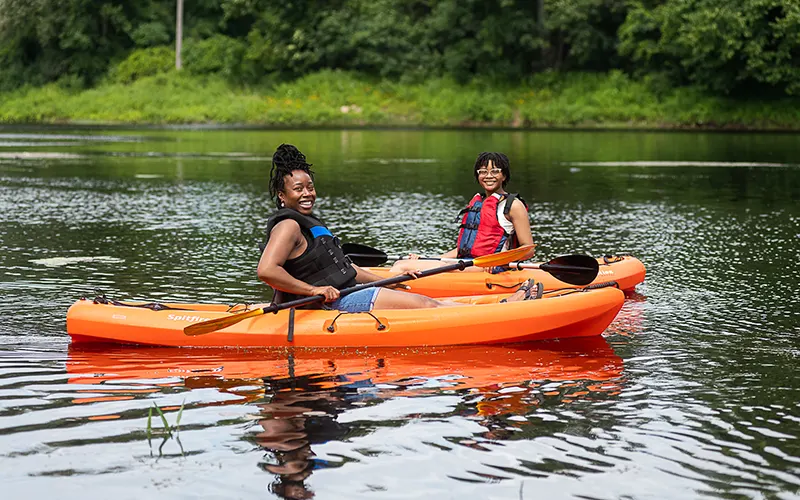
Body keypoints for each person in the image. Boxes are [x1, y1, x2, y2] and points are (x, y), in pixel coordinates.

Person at [257, 144, 539, 312]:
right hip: (329, 303)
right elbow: (267, 270)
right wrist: (312, 291)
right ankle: (505, 309)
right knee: (426, 306)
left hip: (345, 292)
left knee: (423, 299)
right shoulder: (289, 226)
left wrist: (389, 280)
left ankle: (500, 306)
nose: (308, 193)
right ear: (283, 196)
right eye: (298, 189)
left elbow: (347, 272)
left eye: (310, 186)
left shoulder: (310, 225)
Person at [390, 151, 533, 274]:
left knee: (402, 266)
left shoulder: (513, 205)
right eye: (483, 171)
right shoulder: (478, 202)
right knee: (400, 264)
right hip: (466, 263)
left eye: (495, 171)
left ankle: (379, 295)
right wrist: (429, 259)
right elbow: (461, 250)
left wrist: (498, 262)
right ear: (477, 176)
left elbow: (528, 250)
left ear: (504, 176)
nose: (488, 176)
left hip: (489, 268)